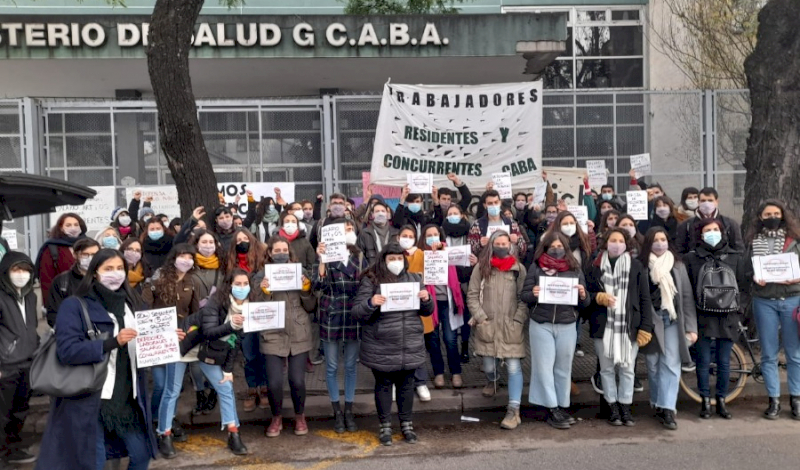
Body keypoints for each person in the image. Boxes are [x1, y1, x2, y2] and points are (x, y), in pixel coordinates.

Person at [37, 249, 164, 470]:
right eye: (108, 269)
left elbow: (146, 344)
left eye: (119, 269)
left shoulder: (134, 303)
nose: (115, 274)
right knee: (91, 462)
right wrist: (111, 342)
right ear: (95, 272)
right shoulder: (75, 305)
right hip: (89, 398)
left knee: (141, 455)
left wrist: (169, 339)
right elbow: (67, 350)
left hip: (127, 398)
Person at [352, 243, 434, 446]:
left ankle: (407, 424)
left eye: (399, 258)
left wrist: (426, 299)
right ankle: (385, 426)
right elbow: (357, 312)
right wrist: (371, 303)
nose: (396, 262)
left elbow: (427, 311)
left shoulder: (415, 279)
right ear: (383, 259)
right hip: (382, 344)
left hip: (409, 342)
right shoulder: (371, 280)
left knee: (407, 386)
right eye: (391, 259)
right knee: (384, 385)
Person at [683, 219, 752, 419]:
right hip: (702, 315)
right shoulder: (691, 258)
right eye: (707, 231)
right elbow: (688, 289)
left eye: (715, 230)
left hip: (729, 316)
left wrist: (740, 310)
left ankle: (721, 399)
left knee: (724, 361)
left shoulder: (735, 257)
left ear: (722, 233)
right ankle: (705, 400)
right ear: (700, 235)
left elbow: (744, 286)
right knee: (703, 360)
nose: (712, 233)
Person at [585, 228, 654, 427]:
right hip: (603, 326)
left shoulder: (636, 266)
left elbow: (644, 298)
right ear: (605, 243)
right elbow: (586, 295)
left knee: (627, 369)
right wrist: (597, 297)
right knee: (606, 370)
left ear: (626, 244)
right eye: (612, 240)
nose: (616, 244)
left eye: (620, 240)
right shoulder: (594, 266)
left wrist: (646, 327)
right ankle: (612, 407)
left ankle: (625, 405)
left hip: (629, 326)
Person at [521, 232, 590, 429]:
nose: (557, 249)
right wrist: (533, 294)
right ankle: (551, 408)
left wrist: (583, 294)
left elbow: (585, 302)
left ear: (566, 248)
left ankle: (562, 406)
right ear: (545, 247)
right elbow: (524, 296)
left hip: (567, 324)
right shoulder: (536, 268)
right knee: (543, 368)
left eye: (561, 246)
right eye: (553, 246)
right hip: (541, 324)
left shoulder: (575, 269)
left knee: (563, 368)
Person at [253, 236, 317, 438]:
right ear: (270, 253)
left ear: (289, 252)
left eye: (284, 250)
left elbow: (311, 306)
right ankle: (276, 417)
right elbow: (254, 305)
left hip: (298, 331)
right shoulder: (260, 276)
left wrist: (306, 290)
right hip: (272, 332)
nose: (281, 253)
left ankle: (300, 416)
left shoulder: (301, 272)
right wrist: (264, 291)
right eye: (276, 250)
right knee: (274, 383)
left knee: (297, 380)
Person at [141, 244, 201, 458]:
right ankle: (156, 419)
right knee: (160, 384)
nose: (185, 260)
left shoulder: (192, 281)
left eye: (189, 257)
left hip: (180, 342)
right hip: (158, 341)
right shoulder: (157, 280)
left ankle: (165, 421)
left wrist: (190, 331)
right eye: (181, 256)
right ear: (173, 258)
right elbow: (144, 309)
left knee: (172, 387)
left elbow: (196, 314)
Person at [745, 199, 800, 420]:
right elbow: (745, 270)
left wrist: (796, 279)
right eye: (767, 215)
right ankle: (773, 400)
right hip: (764, 300)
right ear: (760, 218)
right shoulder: (752, 241)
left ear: (783, 215)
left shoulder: (794, 240)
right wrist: (753, 278)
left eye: (776, 213)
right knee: (768, 354)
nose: (772, 218)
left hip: (792, 299)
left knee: (794, 354)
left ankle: (795, 399)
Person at [467, 231, 527, 429]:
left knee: (513, 367)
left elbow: (523, 299)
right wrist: (481, 318)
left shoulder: (518, 269)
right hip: (488, 325)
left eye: (505, 243)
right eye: (498, 243)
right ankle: (493, 380)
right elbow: (473, 295)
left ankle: (513, 410)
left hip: (511, 326)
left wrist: (518, 320)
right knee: (489, 365)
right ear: (491, 245)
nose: (502, 247)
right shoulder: (481, 268)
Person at [313, 219, 370, 433]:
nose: (348, 231)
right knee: (331, 366)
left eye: (350, 228)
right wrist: (321, 261)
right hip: (332, 313)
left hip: (353, 314)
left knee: (350, 366)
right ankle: (336, 410)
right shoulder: (326, 256)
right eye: (343, 229)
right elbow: (317, 286)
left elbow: (367, 284)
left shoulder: (360, 256)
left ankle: (349, 410)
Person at [639, 227, 697, 430]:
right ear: (648, 243)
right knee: (653, 365)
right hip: (651, 322)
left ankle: (667, 408)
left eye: (663, 239)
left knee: (671, 364)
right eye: (655, 240)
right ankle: (657, 400)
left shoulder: (677, 265)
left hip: (672, 320)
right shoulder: (641, 265)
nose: (660, 243)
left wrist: (691, 327)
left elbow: (687, 297)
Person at [195, 269, 249, 455]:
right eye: (238, 284)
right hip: (204, 350)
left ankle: (233, 433)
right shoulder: (216, 302)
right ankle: (234, 433)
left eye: (245, 284)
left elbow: (236, 341)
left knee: (226, 387)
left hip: (224, 352)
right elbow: (208, 332)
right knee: (171, 390)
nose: (242, 288)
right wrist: (230, 325)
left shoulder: (247, 306)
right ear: (229, 285)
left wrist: (228, 369)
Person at [0, 252, 38, 465]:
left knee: (20, 410)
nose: (21, 274)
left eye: (25, 270)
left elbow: (30, 327)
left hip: (27, 362)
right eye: (16, 270)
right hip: (6, 365)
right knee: (2, 413)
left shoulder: (30, 296)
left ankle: (12, 448)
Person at [420, 224, 467, 389]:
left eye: (435, 234)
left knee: (450, 338)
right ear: (424, 238)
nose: (433, 238)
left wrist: (442, 251)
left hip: (447, 302)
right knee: (433, 340)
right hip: (429, 303)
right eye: (429, 235)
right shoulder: (421, 255)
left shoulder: (448, 253)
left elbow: (463, 265)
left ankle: (456, 372)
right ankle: (438, 372)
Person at [398, 225, 432, 401]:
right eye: (404, 235)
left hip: (417, 308)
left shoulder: (423, 255)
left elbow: (436, 270)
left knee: (416, 346)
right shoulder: (392, 256)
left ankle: (420, 383)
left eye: (411, 236)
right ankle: (398, 384)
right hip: (397, 309)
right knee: (396, 347)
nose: (407, 238)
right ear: (398, 238)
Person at [441, 204, 478, 363]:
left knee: (466, 315)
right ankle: (453, 345)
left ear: (462, 215)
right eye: (450, 213)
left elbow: (479, 251)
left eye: (456, 213)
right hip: (449, 280)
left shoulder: (470, 233)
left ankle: (465, 345)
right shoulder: (442, 233)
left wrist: (476, 260)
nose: (453, 215)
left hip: (466, 279)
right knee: (453, 313)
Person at [46, 238, 101, 327]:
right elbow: (53, 314)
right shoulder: (62, 282)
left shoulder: (105, 279)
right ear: (75, 255)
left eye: (94, 255)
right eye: (85, 254)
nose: (90, 258)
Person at [35, 213, 87, 302]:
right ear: (61, 228)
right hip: (63, 301)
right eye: (68, 225)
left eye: (76, 224)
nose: (73, 228)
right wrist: (50, 307)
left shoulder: (88, 245)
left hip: (88, 299)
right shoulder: (51, 248)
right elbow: (46, 281)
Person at [675, 187, 744, 254]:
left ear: (717, 202)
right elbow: (680, 251)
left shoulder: (729, 224)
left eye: (710, 200)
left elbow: (739, 250)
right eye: (703, 201)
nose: (706, 204)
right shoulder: (686, 225)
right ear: (698, 202)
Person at [467, 190, 526, 259]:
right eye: (490, 203)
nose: (494, 205)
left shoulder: (511, 223)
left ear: (500, 203)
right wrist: (479, 244)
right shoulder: (477, 225)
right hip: (487, 264)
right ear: (485, 205)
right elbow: (471, 250)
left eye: (496, 202)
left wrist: (517, 241)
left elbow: (523, 249)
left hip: (508, 263)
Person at [357, 201, 398, 266]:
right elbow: (360, 258)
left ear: (387, 214)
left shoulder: (395, 233)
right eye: (377, 211)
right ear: (372, 214)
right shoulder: (365, 234)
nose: (380, 213)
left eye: (383, 211)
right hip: (372, 273)